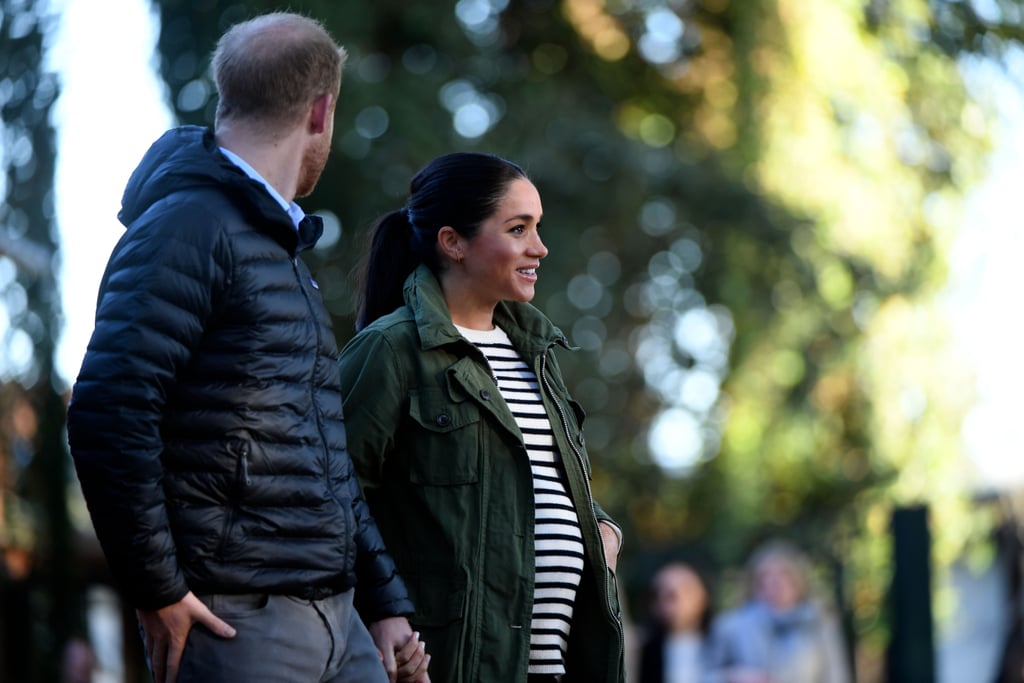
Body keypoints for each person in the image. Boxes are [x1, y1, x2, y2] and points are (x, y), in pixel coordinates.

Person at [65, 12, 428, 683]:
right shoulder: (187, 225)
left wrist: (385, 602)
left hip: (341, 620)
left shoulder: (277, 245)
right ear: (323, 110)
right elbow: (108, 409)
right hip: (237, 624)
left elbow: (323, 453)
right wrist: (159, 587)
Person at [336, 152, 626, 683]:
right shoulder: (391, 350)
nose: (539, 248)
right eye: (518, 229)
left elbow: (525, 482)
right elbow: (332, 496)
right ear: (453, 242)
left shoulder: (538, 357)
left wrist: (601, 529)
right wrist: (380, 610)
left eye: (537, 228)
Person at [705, 540, 850, 683]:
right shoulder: (731, 626)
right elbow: (706, 676)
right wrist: (733, 677)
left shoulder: (819, 623)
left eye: (784, 575)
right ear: (754, 583)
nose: (775, 584)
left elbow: (836, 676)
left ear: (799, 580)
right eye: (765, 576)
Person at [638, 561, 714, 683]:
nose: (665, 601)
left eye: (672, 594)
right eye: (658, 593)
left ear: (702, 595)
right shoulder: (641, 651)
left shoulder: (725, 643)